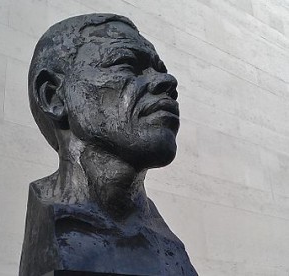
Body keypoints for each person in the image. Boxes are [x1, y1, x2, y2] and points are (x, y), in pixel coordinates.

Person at [19, 13, 198, 276]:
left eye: (161, 69)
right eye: (125, 63)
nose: (168, 82)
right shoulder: (53, 222)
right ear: (53, 97)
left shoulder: (170, 247)